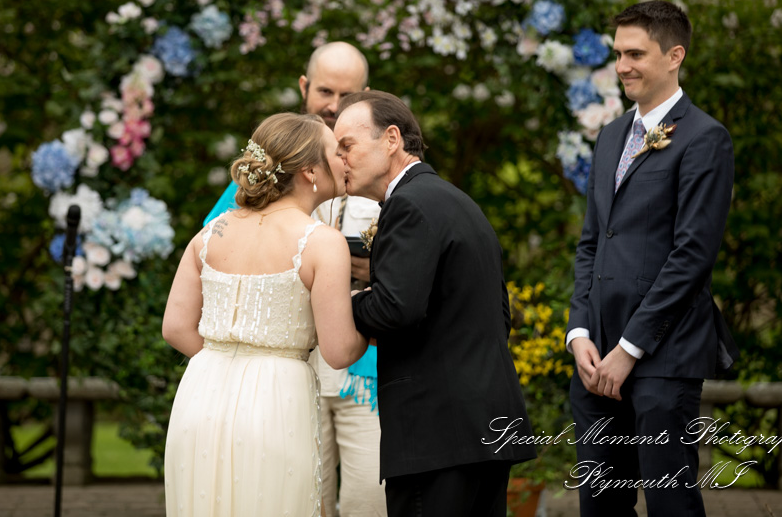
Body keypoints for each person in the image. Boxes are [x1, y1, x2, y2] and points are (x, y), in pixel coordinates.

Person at [565, 0, 740, 517]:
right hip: (595, 358)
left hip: (664, 355)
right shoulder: (611, 135)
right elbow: (592, 240)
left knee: (671, 505)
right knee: (601, 507)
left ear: (674, 55)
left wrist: (630, 349)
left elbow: (692, 256)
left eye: (635, 53)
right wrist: (580, 334)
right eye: (618, 54)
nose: (622, 66)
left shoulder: (706, 139)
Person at [203, 41, 386, 517]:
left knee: (371, 501)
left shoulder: (384, 167)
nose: (332, 105)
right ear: (304, 87)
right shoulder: (269, 168)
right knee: (298, 502)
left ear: (364, 95)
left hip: (366, 374)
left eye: (346, 96)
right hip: (284, 375)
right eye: (325, 90)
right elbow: (215, 252)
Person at [333, 90, 536, 517]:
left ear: (391, 139)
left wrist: (344, 302)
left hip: (436, 434)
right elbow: (500, 315)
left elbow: (395, 310)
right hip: (483, 430)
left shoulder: (407, 205)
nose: (340, 160)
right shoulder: (454, 201)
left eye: (347, 146)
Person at [162, 112, 368, 516]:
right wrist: (377, 311)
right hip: (276, 402)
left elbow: (174, 328)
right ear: (310, 170)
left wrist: (227, 363)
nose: (344, 161)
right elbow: (339, 351)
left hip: (198, 397)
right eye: (335, 152)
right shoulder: (322, 243)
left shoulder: (210, 234)